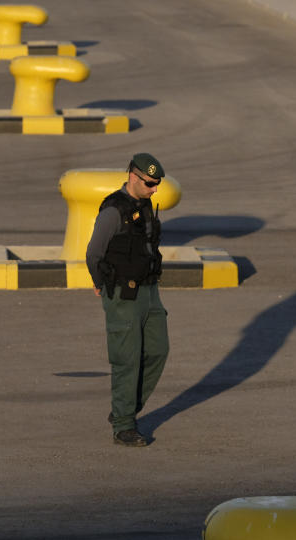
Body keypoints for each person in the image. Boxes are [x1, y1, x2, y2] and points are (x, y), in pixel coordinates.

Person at [85, 153, 170, 447]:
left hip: (149, 291)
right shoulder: (113, 210)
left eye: (157, 184)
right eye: (149, 183)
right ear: (133, 177)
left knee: (158, 351)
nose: (154, 189)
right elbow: (93, 253)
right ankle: (123, 426)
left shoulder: (144, 205)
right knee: (127, 360)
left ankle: (125, 409)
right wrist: (100, 284)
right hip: (123, 293)